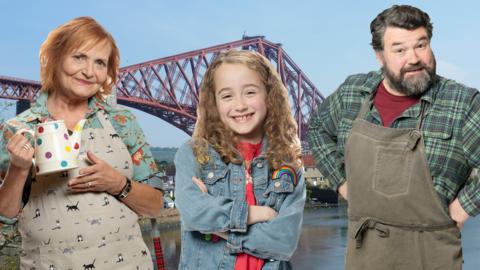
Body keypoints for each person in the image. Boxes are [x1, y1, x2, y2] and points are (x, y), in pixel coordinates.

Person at [308, 4, 480, 269]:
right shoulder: (353, 92)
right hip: (364, 254)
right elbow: (317, 128)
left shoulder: (462, 103)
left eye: (421, 45)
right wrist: (342, 182)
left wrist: (462, 208)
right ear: (380, 56)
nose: (413, 58)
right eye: (400, 50)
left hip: (431, 256)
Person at [0, 17, 164, 269]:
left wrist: (118, 183)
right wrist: (19, 170)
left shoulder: (122, 121)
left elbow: (155, 206)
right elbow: (3, 220)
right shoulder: (16, 130)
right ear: (53, 58)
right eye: (79, 57)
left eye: (100, 63)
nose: (89, 71)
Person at [174, 50, 306, 269]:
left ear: (269, 95)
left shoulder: (289, 163)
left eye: (250, 92)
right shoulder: (192, 155)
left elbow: (284, 242)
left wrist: (218, 227)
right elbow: (193, 213)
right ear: (214, 103)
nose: (240, 105)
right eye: (227, 96)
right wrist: (255, 214)